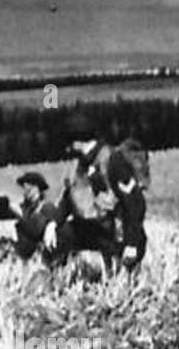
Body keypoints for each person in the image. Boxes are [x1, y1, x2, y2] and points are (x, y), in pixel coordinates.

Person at [49, 111, 147, 270]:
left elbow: (135, 203)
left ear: (77, 141)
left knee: (114, 274)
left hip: (117, 234)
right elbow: (69, 199)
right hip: (94, 229)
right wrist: (52, 225)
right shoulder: (79, 165)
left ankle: (111, 270)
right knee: (59, 238)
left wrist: (132, 243)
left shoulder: (112, 160)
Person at [10, 171, 59, 260]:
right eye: (24, 188)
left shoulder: (47, 207)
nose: (25, 192)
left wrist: (21, 216)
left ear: (37, 189)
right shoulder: (25, 208)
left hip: (41, 258)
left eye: (29, 188)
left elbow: (36, 230)